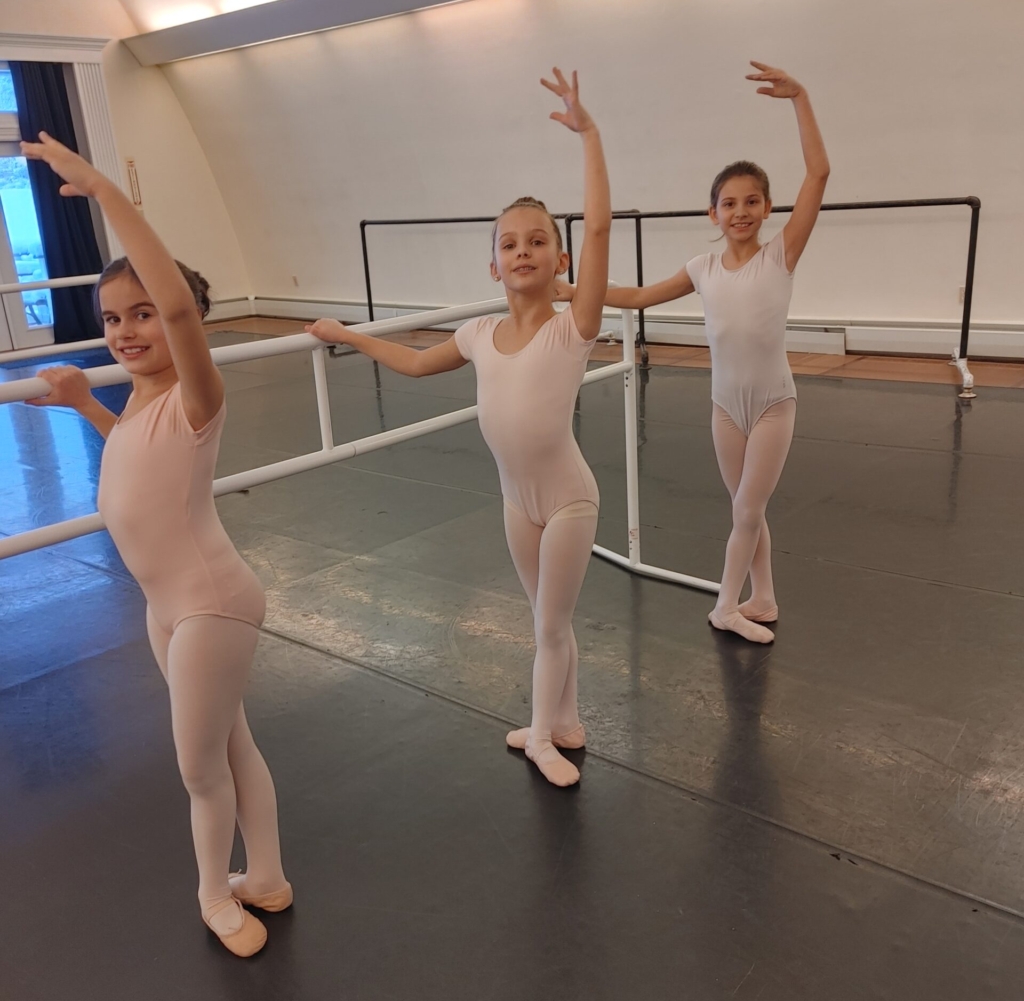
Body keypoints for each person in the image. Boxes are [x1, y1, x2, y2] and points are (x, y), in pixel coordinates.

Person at [23, 132, 290, 957]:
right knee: (232, 744)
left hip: (211, 602)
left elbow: (178, 310)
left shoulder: (195, 395)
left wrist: (105, 192)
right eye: (112, 317)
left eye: (144, 314)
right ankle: (268, 875)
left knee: (198, 768)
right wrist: (80, 404)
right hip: (167, 609)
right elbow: (138, 469)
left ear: (187, 324)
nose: (128, 330)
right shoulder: (137, 406)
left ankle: (216, 894)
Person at [308, 68, 611, 786]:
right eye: (510, 244)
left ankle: (541, 736)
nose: (524, 252)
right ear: (494, 263)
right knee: (546, 618)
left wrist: (589, 134)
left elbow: (598, 224)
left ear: (560, 258)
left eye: (538, 242)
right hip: (516, 501)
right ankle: (562, 718)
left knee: (547, 623)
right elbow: (414, 364)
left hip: (568, 498)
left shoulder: (576, 328)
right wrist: (347, 334)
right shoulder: (478, 333)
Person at [559, 62, 829, 643]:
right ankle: (764, 596)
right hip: (725, 409)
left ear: (767, 208)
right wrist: (576, 290)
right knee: (745, 507)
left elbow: (820, 173)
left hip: (774, 405)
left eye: (751, 201)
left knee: (747, 510)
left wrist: (800, 98)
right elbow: (634, 296)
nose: (740, 212)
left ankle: (725, 607)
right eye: (728, 203)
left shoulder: (779, 255)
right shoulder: (702, 268)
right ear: (713, 213)